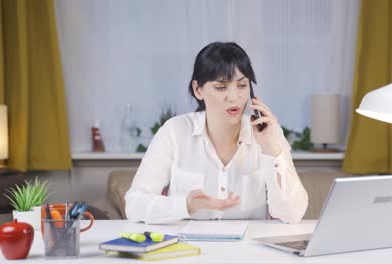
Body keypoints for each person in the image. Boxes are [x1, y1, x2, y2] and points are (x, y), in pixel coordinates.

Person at [125, 42, 308, 224]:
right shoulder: (174, 131)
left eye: (242, 85)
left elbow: (292, 214)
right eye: (221, 87)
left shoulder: (269, 133)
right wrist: (185, 205)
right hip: (187, 249)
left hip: (249, 250)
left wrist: (271, 149)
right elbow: (134, 205)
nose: (234, 97)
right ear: (198, 90)